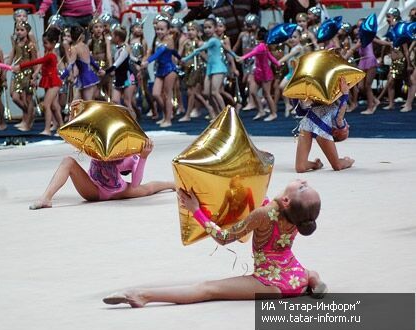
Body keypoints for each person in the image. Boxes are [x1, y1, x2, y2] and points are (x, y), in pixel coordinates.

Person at [103, 179, 326, 308]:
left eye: (303, 187)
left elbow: (224, 237)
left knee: (208, 289)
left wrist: (196, 212)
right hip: (296, 275)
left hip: (273, 284)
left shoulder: (264, 214)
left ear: (286, 201)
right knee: (306, 272)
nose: (304, 181)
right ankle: (312, 279)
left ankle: (143, 296)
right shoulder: (303, 216)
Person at [29, 139, 176, 210]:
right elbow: (76, 136)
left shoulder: (133, 155)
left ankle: (171, 184)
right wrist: (76, 112)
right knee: (68, 161)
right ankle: (45, 198)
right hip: (94, 188)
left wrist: (144, 157)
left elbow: (136, 183)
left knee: (146, 189)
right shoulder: (101, 141)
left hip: (118, 189)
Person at [294, 77, 354, 172]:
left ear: (336, 132)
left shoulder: (339, 124)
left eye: (347, 130)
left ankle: (348, 161)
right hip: (309, 121)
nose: (348, 126)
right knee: (300, 168)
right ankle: (317, 164)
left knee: (337, 166)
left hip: (321, 129)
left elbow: (339, 117)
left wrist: (345, 95)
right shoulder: (337, 118)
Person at [13, 28, 64, 136]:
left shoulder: (52, 54)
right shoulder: (48, 52)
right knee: (54, 106)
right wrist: (36, 74)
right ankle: (62, 128)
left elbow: (38, 61)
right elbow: (42, 64)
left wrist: (21, 66)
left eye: (46, 43)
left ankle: (47, 129)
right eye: (43, 43)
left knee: (46, 105)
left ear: (54, 43)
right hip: (48, 80)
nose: (44, 45)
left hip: (53, 81)